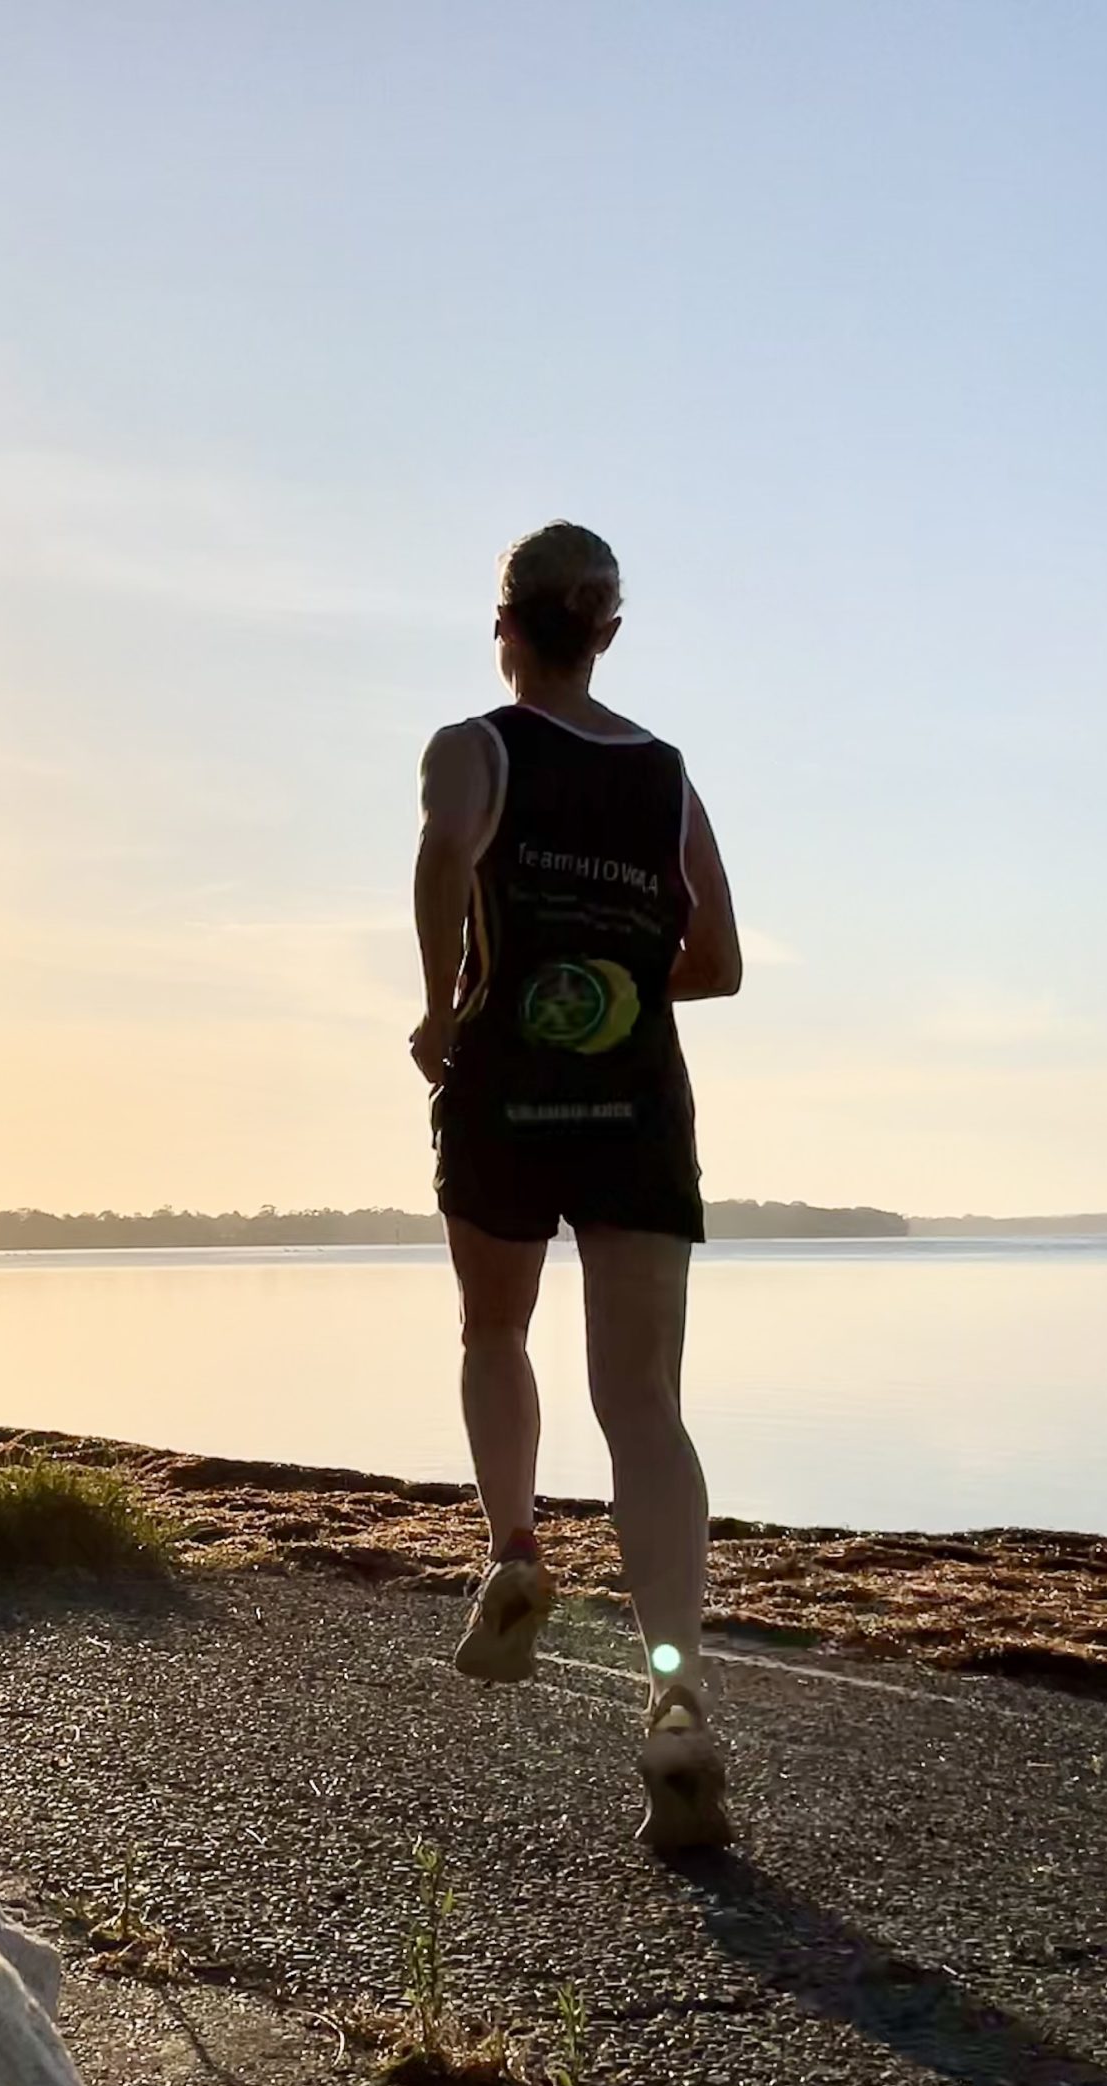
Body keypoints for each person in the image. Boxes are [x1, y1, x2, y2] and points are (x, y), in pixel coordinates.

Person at [410, 523, 743, 1851]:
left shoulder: (474, 746)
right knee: (646, 1404)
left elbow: (446, 854)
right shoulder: (664, 776)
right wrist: (607, 982)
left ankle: (514, 1554)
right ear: (607, 630)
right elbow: (713, 962)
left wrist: (447, 1005)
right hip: (637, 1106)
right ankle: (678, 1700)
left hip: (506, 1091)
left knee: (495, 1330)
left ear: (505, 623)